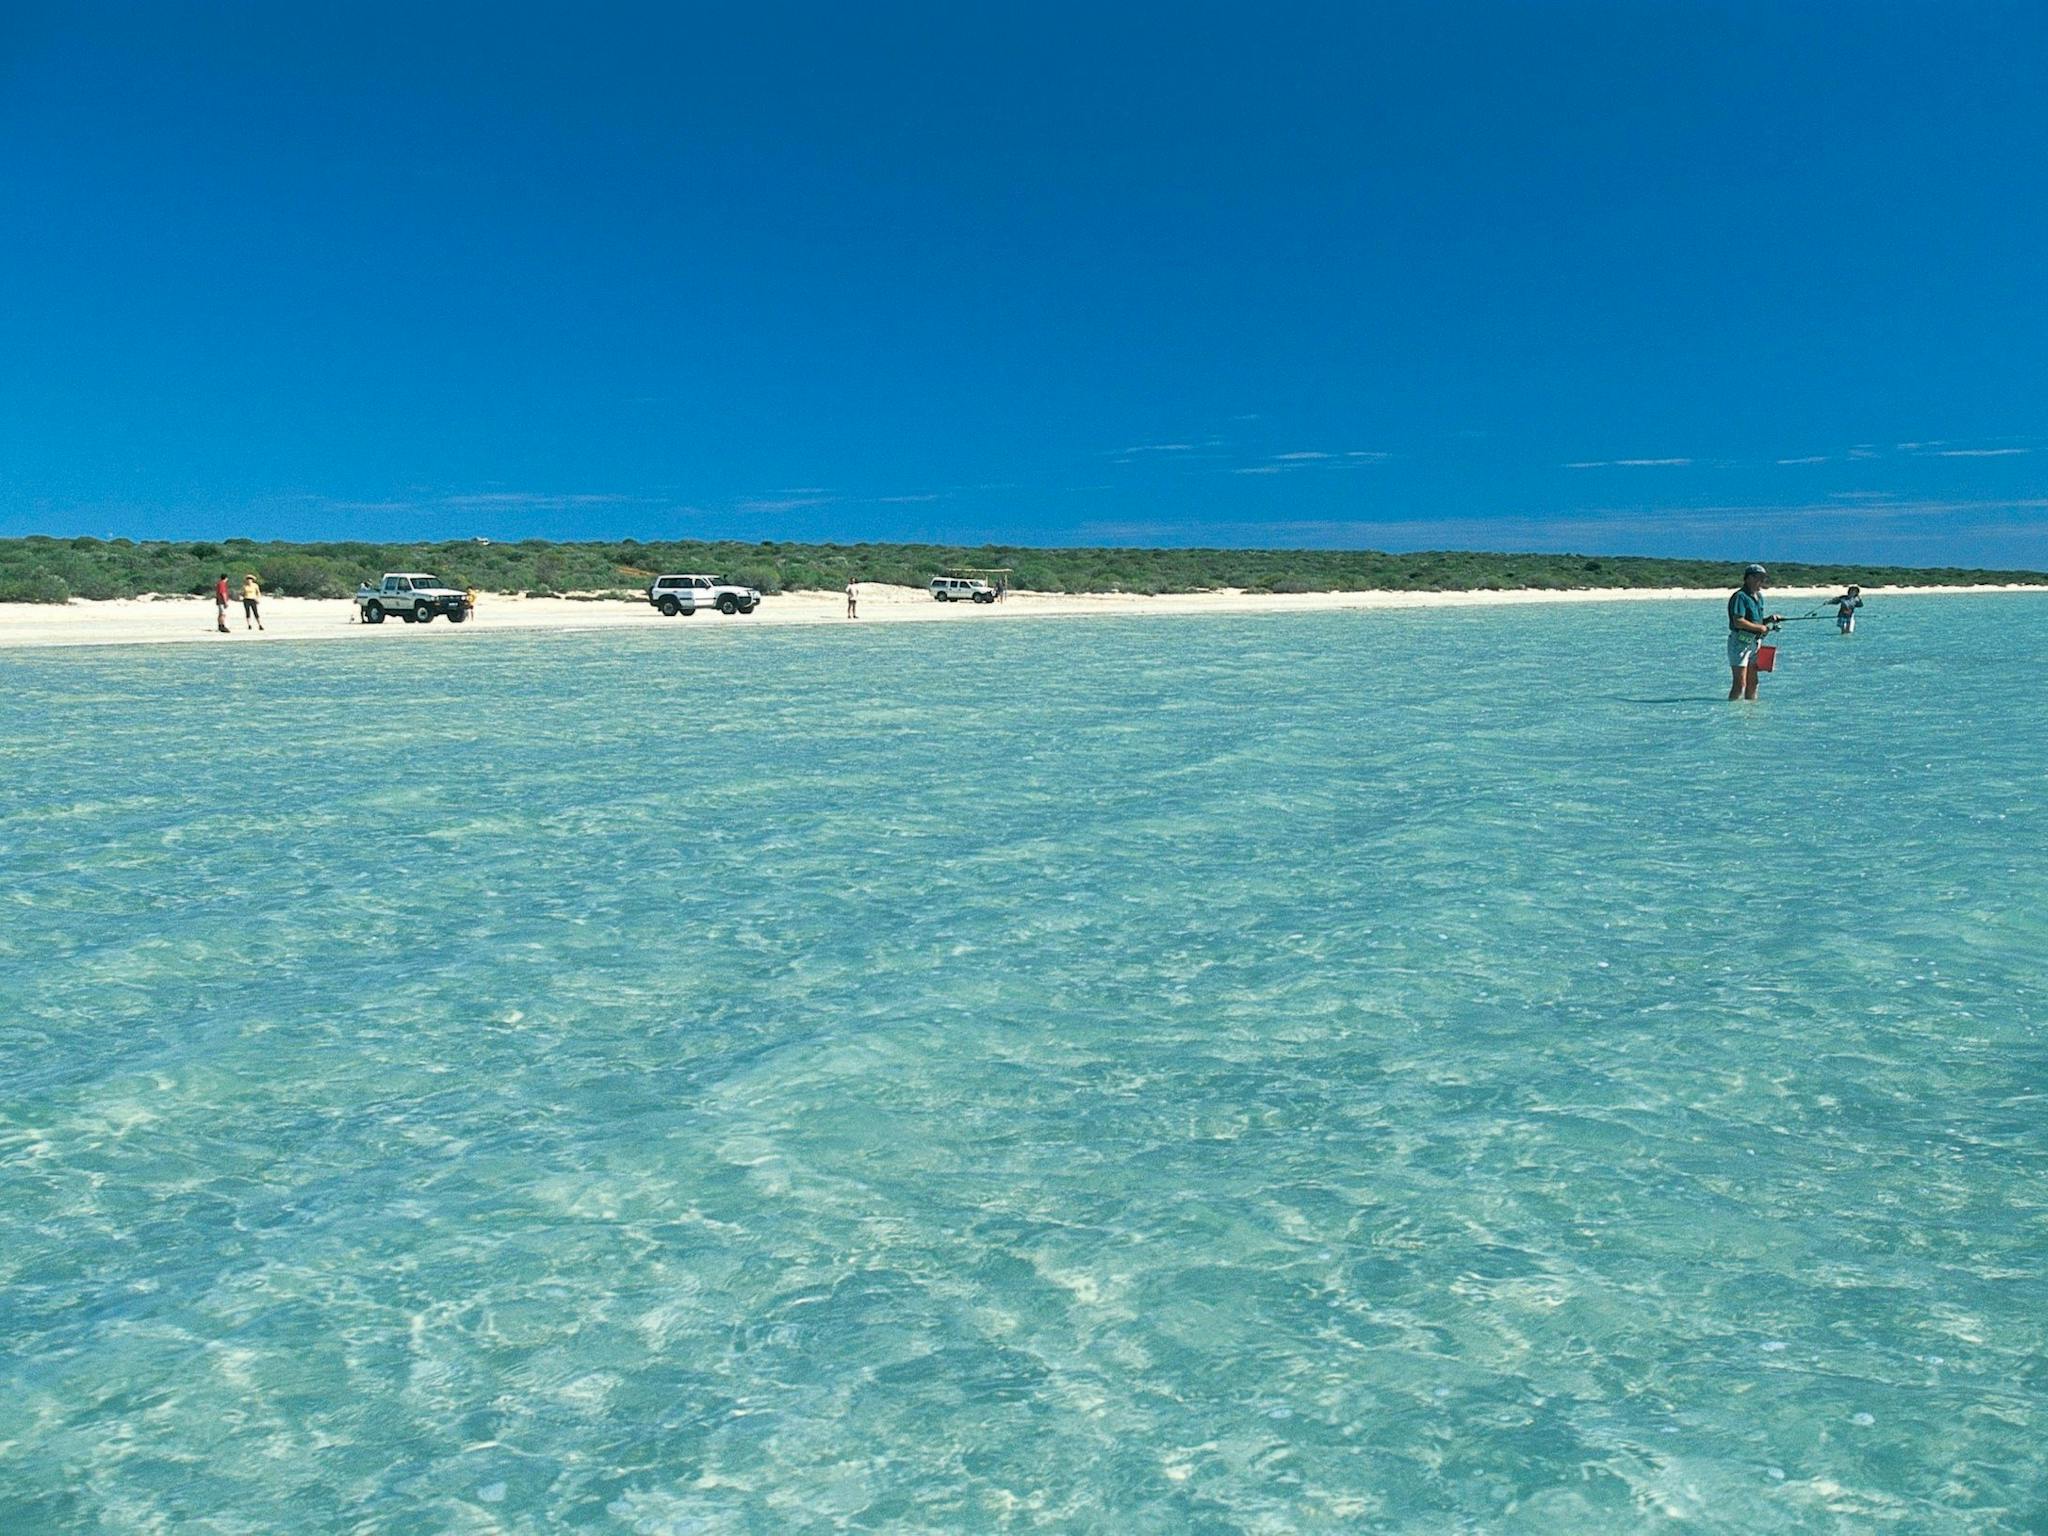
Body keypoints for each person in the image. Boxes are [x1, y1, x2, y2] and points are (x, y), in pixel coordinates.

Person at [1727, 563, 1783, 701]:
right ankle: (1733, 713)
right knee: (1740, 684)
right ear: (1749, 578)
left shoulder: (1759, 597)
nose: (1762, 582)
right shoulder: (1740, 596)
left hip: (1755, 643)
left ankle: (1751, 714)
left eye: (1764, 579)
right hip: (1740, 643)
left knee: (1753, 682)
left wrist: (1769, 620)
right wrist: (1760, 628)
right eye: (1759, 578)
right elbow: (1738, 621)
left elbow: (1756, 621)